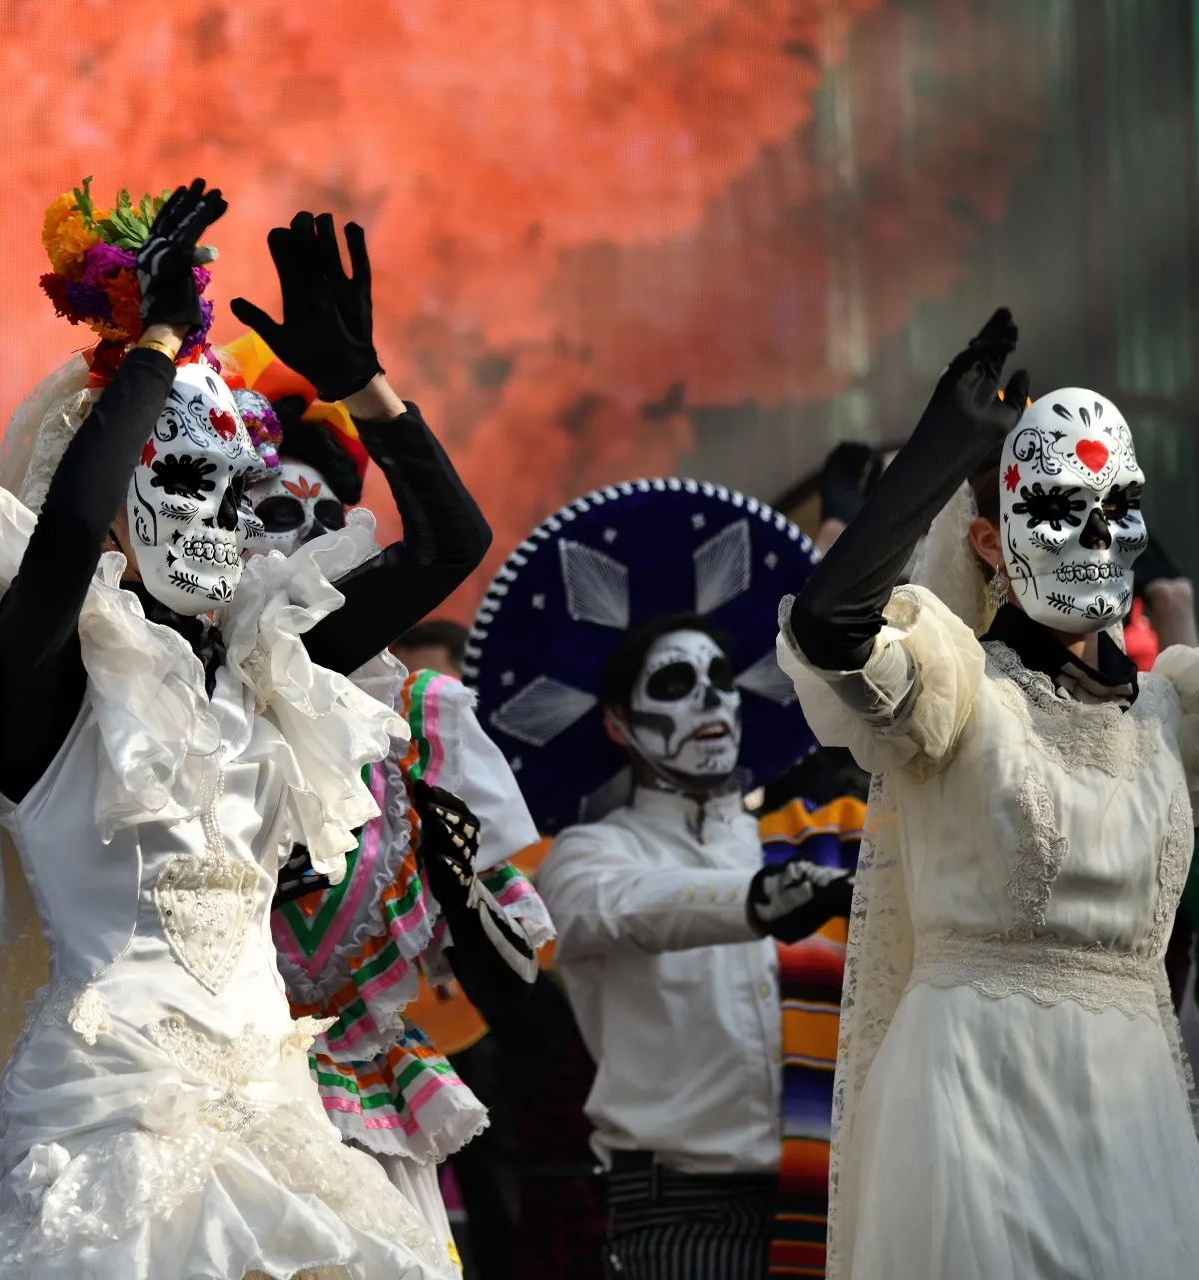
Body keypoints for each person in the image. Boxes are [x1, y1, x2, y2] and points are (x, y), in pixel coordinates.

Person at [0, 182, 485, 1278]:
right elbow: (72, 531)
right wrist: (158, 343)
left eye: (237, 496)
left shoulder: (266, 676)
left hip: (276, 1101)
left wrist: (363, 389)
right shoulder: (44, 678)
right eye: (185, 478)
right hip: (104, 1116)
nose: (217, 520)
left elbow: (448, 544)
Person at [779, 308, 1199, 1278]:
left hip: (1135, 1112)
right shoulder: (959, 693)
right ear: (989, 543)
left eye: (1115, 506)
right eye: (1060, 509)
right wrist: (941, 450)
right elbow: (829, 626)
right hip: (976, 1097)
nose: (1094, 537)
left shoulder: (1172, 712)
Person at [224, 347, 553, 1273]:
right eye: (282, 515)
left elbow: (515, 986)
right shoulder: (173, 708)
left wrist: (457, 888)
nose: (316, 540)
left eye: (335, 519)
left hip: (371, 1119)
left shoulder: (423, 718)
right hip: (212, 1106)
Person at [466, 479, 844, 1279]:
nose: (710, 698)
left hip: (834, 1195)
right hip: (680, 1210)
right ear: (617, 723)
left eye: (721, 681)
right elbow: (629, 909)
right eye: (675, 685)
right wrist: (753, 904)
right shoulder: (587, 856)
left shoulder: (800, 839)